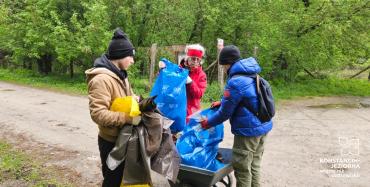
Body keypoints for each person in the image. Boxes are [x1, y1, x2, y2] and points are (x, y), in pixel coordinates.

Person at [199, 45, 273, 187]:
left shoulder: (236, 81)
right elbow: (248, 98)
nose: (223, 68)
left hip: (248, 132)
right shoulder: (250, 73)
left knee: (242, 170)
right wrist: (222, 102)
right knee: (254, 165)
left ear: (228, 63)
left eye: (223, 65)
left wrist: (207, 123)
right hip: (263, 126)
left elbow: (224, 114)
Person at [85, 28, 141, 187]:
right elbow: (98, 114)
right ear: (120, 56)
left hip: (125, 137)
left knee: (124, 179)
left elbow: (127, 98)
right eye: (130, 56)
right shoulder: (101, 80)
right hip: (111, 141)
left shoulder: (121, 74)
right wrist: (127, 118)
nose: (132, 60)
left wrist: (137, 100)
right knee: (112, 181)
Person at [159, 44, 207, 123]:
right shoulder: (178, 70)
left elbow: (199, 94)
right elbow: (167, 84)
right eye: (193, 59)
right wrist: (163, 68)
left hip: (192, 111)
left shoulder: (202, 75)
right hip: (176, 108)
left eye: (198, 60)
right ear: (187, 59)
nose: (195, 62)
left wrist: (190, 82)